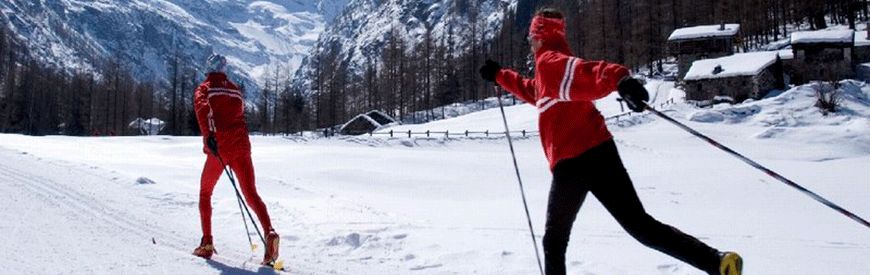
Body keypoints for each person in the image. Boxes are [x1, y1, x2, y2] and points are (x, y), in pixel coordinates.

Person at [479, 8, 742, 275]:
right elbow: (533, 90)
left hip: (572, 162)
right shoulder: (550, 73)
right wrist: (500, 75)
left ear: (539, 36)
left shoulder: (549, 63)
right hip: (600, 152)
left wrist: (619, 79)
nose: (529, 43)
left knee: (554, 241)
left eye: (531, 37)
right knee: (640, 226)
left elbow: (587, 72)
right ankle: (717, 262)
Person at [192, 54, 280, 265]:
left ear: (208, 68)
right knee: (251, 193)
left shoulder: (204, 88)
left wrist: (209, 137)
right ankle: (269, 232)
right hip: (241, 147)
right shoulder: (234, 89)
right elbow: (239, 115)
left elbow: (203, 111)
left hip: (219, 147)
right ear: (225, 69)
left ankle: (207, 243)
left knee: (205, 192)